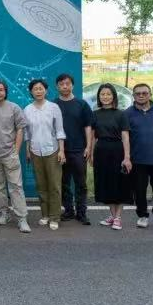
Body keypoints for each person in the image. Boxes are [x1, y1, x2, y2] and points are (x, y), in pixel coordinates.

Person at [0, 79, 31, 233]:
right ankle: (4, 213)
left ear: (5, 91)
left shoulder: (14, 107)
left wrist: (16, 151)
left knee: (16, 187)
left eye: (1, 90)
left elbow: (20, 129)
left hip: (10, 154)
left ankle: (22, 218)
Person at [125, 83, 153, 230]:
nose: (141, 96)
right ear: (133, 96)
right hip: (138, 160)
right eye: (138, 93)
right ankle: (142, 215)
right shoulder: (127, 114)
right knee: (139, 190)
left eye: (144, 93)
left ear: (150, 94)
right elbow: (124, 137)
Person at [24, 79, 66, 231]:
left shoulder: (54, 107)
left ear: (46, 90)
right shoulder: (27, 109)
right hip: (35, 151)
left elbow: (59, 130)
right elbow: (27, 133)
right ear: (31, 92)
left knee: (54, 185)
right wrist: (27, 150)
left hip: (52, 150)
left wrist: (61, 150)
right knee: (41, 186)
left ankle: (55, 217)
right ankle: (45, 215)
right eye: (35, 89)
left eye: (41, 88)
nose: (38, 91)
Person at [91, 83, 133, 231]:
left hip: (117, 151)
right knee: (105, 184)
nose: (105, 97)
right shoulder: (95, 114)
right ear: (99, 97)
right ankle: (113, 216)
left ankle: (118, 217)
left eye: (108, 94)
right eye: (102, 94)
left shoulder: (121, 114)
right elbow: (93, 136)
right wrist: (91, 154)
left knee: (119, 184)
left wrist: (127, 157)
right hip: (101, 151)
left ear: (114, 96)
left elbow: (125, 136)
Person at [54, 73, 93, 225]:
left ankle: (81, 213)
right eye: (61, 84)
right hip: (60, 150)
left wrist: (88, 147)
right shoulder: (53, 105)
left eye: (67, 83)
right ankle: (68, 210)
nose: (65, 86)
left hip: (79, 150)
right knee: (63, 183)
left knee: (80, 183)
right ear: (57, 86)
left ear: (72, 85)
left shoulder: (82, 104)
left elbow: (88, 126)